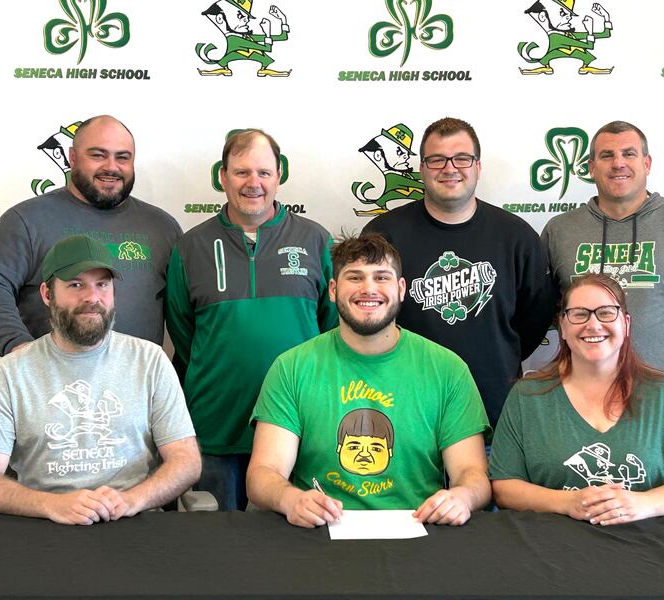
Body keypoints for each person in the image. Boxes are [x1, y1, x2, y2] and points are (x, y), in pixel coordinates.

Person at [247, 233, 491, 528]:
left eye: (381, 277)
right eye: (355, 277)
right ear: (334, 290)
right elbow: (263, 473)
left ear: (401, 289)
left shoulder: (448, 369)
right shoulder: (292, 367)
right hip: (319, 534)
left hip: (422, 532)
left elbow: (472, 474)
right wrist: (291, 500)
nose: (368, 289)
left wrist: (462, 497)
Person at [0, 235, 201, 525]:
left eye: (102, 284)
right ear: (47, 294)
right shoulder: (12, 372)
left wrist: (132, 500)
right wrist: (52, 505)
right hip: (43, 526)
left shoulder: (150, 360)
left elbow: (186, 461)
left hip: (132, 524)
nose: (92, 298)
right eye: (76, 285)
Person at [165, 128, 337, 511]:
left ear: (280, 175)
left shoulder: (315, 241)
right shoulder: (190, 247)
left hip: (298, 430)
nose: (253, 183)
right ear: (222, 176)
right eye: (241, 172)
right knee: (214, 552)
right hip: (215, 429)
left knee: (288, 551)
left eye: (263, 172)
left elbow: (329, 329)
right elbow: (183, 332)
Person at [363, 117, 556, 427]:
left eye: (462, 158)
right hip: (404, 413)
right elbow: (366, 314)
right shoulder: (384, 233)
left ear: (477, 166)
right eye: (437, 159)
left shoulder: (516, 237)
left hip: (492, 412)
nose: (450, 168)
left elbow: (534, 321)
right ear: (422, 169)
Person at [489, 274, 664, 525]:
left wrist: (641, 504)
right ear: (562, 327)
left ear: (626, 324)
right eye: (579, 314)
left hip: (649, 552)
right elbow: (504, 487)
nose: (593, 325)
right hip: (550, 553)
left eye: (606, 313)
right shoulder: (527, 396)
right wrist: (568, 502)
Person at [542, 120, 664, 403]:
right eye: (607, 155)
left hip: (663, 401)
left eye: (628, 154)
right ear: (591, 167)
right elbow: (548, 309)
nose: (618, 163)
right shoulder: (560, 230)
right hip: (582, 399)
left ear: (647, 163)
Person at [0, 114, 182, 356]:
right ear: (72, 158)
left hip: (135, 386)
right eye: (98, 155)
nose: (111, 166)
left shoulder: (162, 227)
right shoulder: (27, 220)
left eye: (122, 157)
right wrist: (19, 348)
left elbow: (185, 309)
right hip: (47, 382)